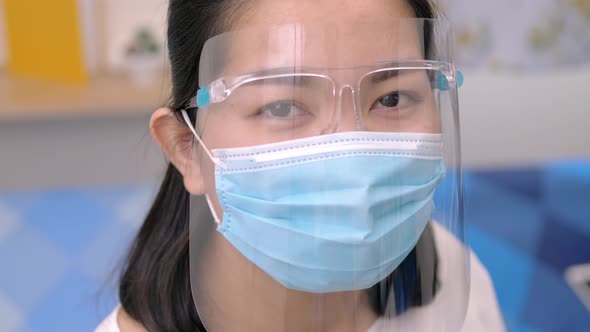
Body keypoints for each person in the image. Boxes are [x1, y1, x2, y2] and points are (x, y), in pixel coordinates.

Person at [96, 0, 506, 331]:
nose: (350, 157)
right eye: (282, 106)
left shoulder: (449, 268)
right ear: (186, 146)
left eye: (392, 98)